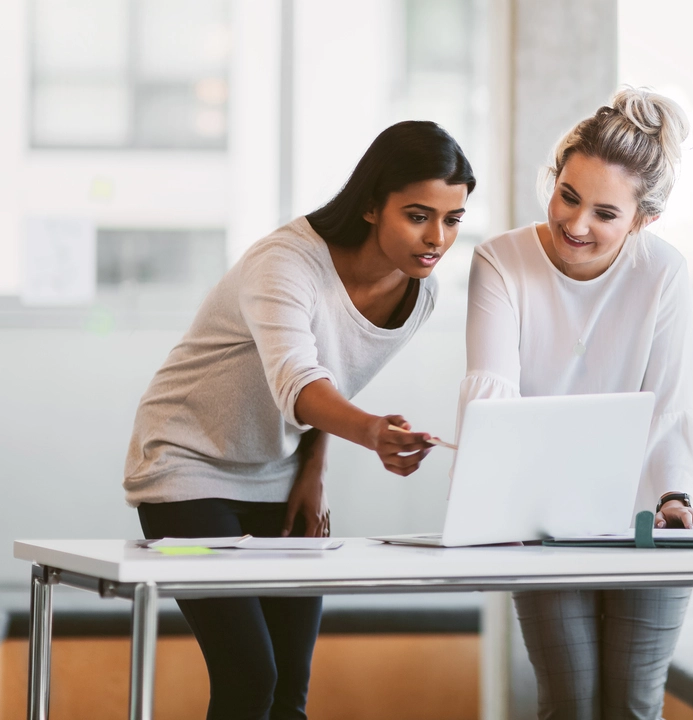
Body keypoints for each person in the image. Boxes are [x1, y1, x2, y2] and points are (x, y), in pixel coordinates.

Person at [124, 120, 475, 720]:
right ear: (370, 206)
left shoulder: (421, 292)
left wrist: (313, 471)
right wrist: (370, 433)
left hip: (278, 475)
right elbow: (298, 381)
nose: (436, 238)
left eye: (452, 219)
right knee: (249, 676)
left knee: (289, 688)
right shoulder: (284, 264)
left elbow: (329, 376)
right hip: (182, 469)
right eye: (417, 215)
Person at [458, 87, 693, 720]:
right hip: (543, 522)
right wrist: (495, 498)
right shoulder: (502, 261)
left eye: (605, 213)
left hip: (647, 516)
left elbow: (670, 402)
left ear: (642, 220)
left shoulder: (663, 271)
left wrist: (676, 495)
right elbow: (491, 391)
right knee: (569, 704)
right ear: (554, 177)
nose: (576, 225)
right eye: (568, 197)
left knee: (633, 704)